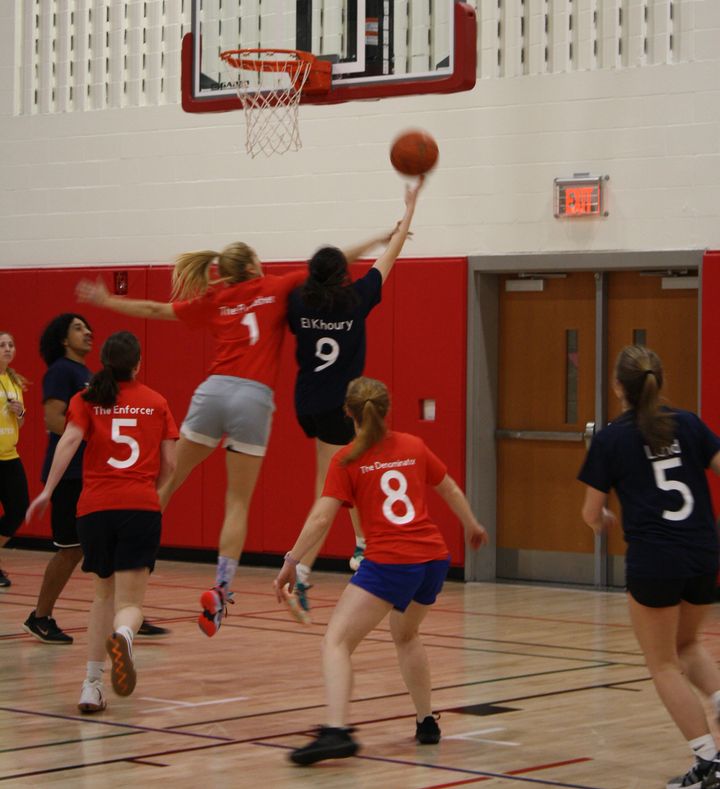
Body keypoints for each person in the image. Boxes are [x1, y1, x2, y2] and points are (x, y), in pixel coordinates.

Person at [77, 242, 308, 637]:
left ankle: (129, 561)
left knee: (165, 483)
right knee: (236, 502)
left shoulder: (216, 296)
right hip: (253, 398)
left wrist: (107, 299)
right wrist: (380, 241)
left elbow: (154, 310)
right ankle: (221, 589)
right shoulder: (277, 285)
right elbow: (332, 263)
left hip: (213, 393)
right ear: (253, 264)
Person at [273, 376, 488, 765]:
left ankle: (337, 731)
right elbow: (450, 488)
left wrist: (292, 561)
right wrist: (472, 524)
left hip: (392, 561)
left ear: (348, 414)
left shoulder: (347, 458)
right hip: (433, 560)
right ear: (387, 411)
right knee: (406, 634)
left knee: (335, 642)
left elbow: (322, 519)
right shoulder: (413, 445)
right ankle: (426, 722)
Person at [578, 345, 720, 789]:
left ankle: (709, 762)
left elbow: (590, 513)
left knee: (662, 664)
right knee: (689, 644)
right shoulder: (690, 424)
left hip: (656, 559)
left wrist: (602, 520)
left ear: (618, 387)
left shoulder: (611, 439)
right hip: (702, 551)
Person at [285, 177, 424, 623]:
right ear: (344, 274)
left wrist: (372, 237)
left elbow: (327, 268)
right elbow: (391, 257)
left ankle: (335, 553)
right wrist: (404, 216)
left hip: (306, 403)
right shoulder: (356, 298)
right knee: (334, 490)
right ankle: (348, 550)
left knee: (339, 480)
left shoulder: (298, 300)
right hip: (341, 406)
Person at [26, 331, 178, 712]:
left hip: (94, 509)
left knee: (102, 595)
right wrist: (152, 496)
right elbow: (171, 464)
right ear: (138, 363)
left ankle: (91, 685)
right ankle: (125, 634)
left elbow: (69, 442)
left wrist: (47, 490)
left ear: (104, 363)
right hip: (139, 507)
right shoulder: (156, 402)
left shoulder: (87, 398)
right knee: (130, 602)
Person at [22, 314, 93, 643]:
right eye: (78, 328)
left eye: (87, 327)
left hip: (90, 472)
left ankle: (130, 611)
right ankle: (40, 616)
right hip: (67, 475)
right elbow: (54, 421)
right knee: (70, 550)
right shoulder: (61, 372)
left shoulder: (86, 374)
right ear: (64, 340)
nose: (88, 332)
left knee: (109, 542)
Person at [0, 331, 30, 587]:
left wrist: (20, 413)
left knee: (18, 509)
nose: (7, 349)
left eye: (11, 344)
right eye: (2, 345)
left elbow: (20, 421)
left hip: (10, 456)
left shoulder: (14, 381)